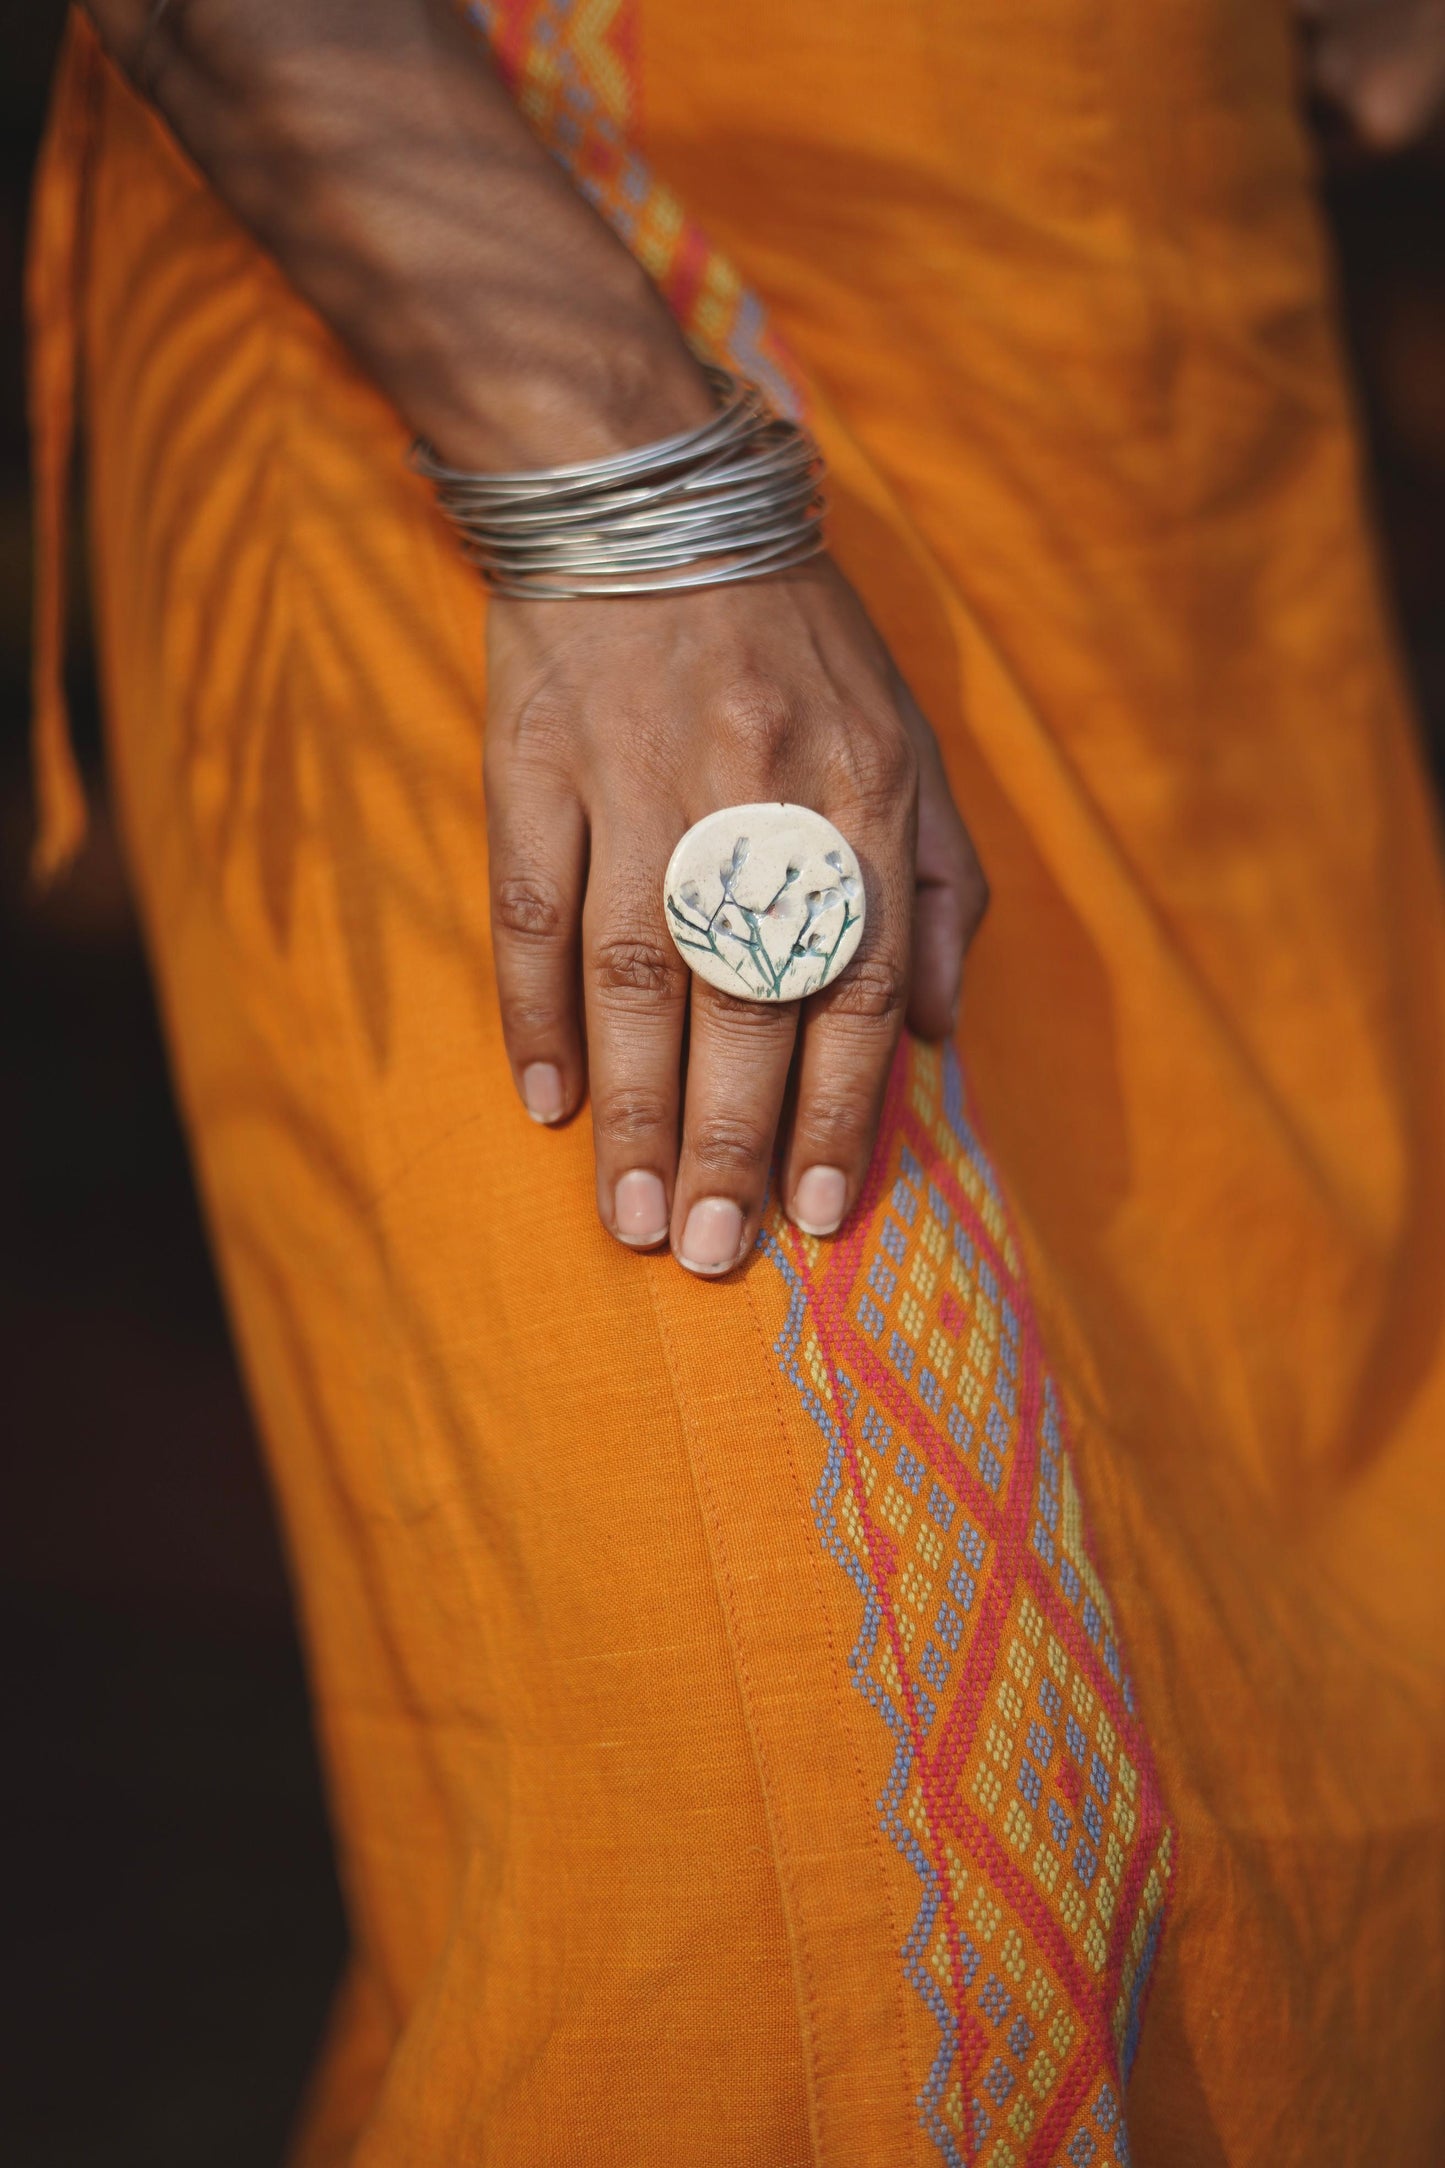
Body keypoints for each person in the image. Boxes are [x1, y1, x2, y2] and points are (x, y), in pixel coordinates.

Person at [27, 1, 1445, 2160]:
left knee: (1325, 1761)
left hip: (1138, 338)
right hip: (482, 265)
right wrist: (623, 497)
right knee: (857, 1899)